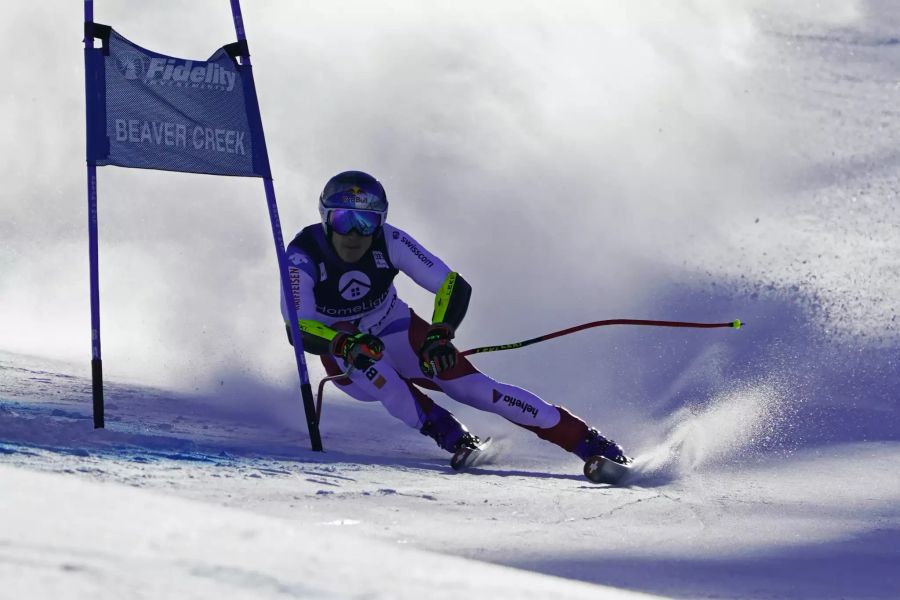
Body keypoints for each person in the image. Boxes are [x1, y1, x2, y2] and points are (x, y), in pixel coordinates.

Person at [282, 170, 628, 471]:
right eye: (345, 220)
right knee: (377, 369)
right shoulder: (303, 255)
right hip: (343, 350)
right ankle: (450, 434)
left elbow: (452, 284)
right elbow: (297, 326)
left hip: (393, 325)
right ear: (326, 218)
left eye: (367, 221)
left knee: (471, 387)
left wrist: (440, 335)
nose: (355, 235)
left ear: (381, 222)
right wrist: (344, 342)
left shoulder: (391, 241)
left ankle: (589, 443)